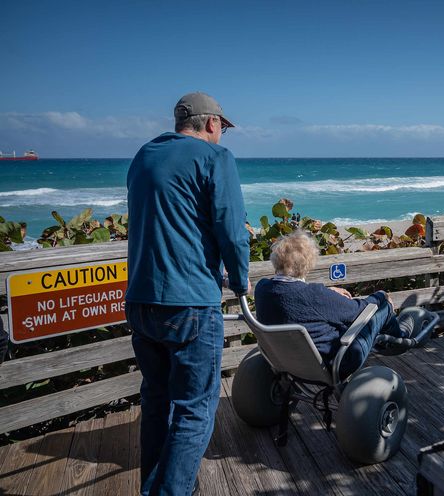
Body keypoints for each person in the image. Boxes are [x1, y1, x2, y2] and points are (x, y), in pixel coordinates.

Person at [125, 92, 250, 496]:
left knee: (158, 403)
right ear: (212, 123)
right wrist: (241, 281)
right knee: (196, 411)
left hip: (141, 302)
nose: (222, 135)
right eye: (223, 128)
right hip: (190, 303)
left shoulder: (144, 156)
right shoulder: (217, 159)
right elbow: (231, 231)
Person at [255, 230, 410, 379]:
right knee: (381, 303)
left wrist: (328, 292)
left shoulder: (262, 287)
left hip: (287, 361)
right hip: (336, 362)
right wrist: (380, 297)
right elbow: (357, 311)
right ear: (307, 263)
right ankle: (400, 341)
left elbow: (292, 293)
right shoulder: (313, 295)